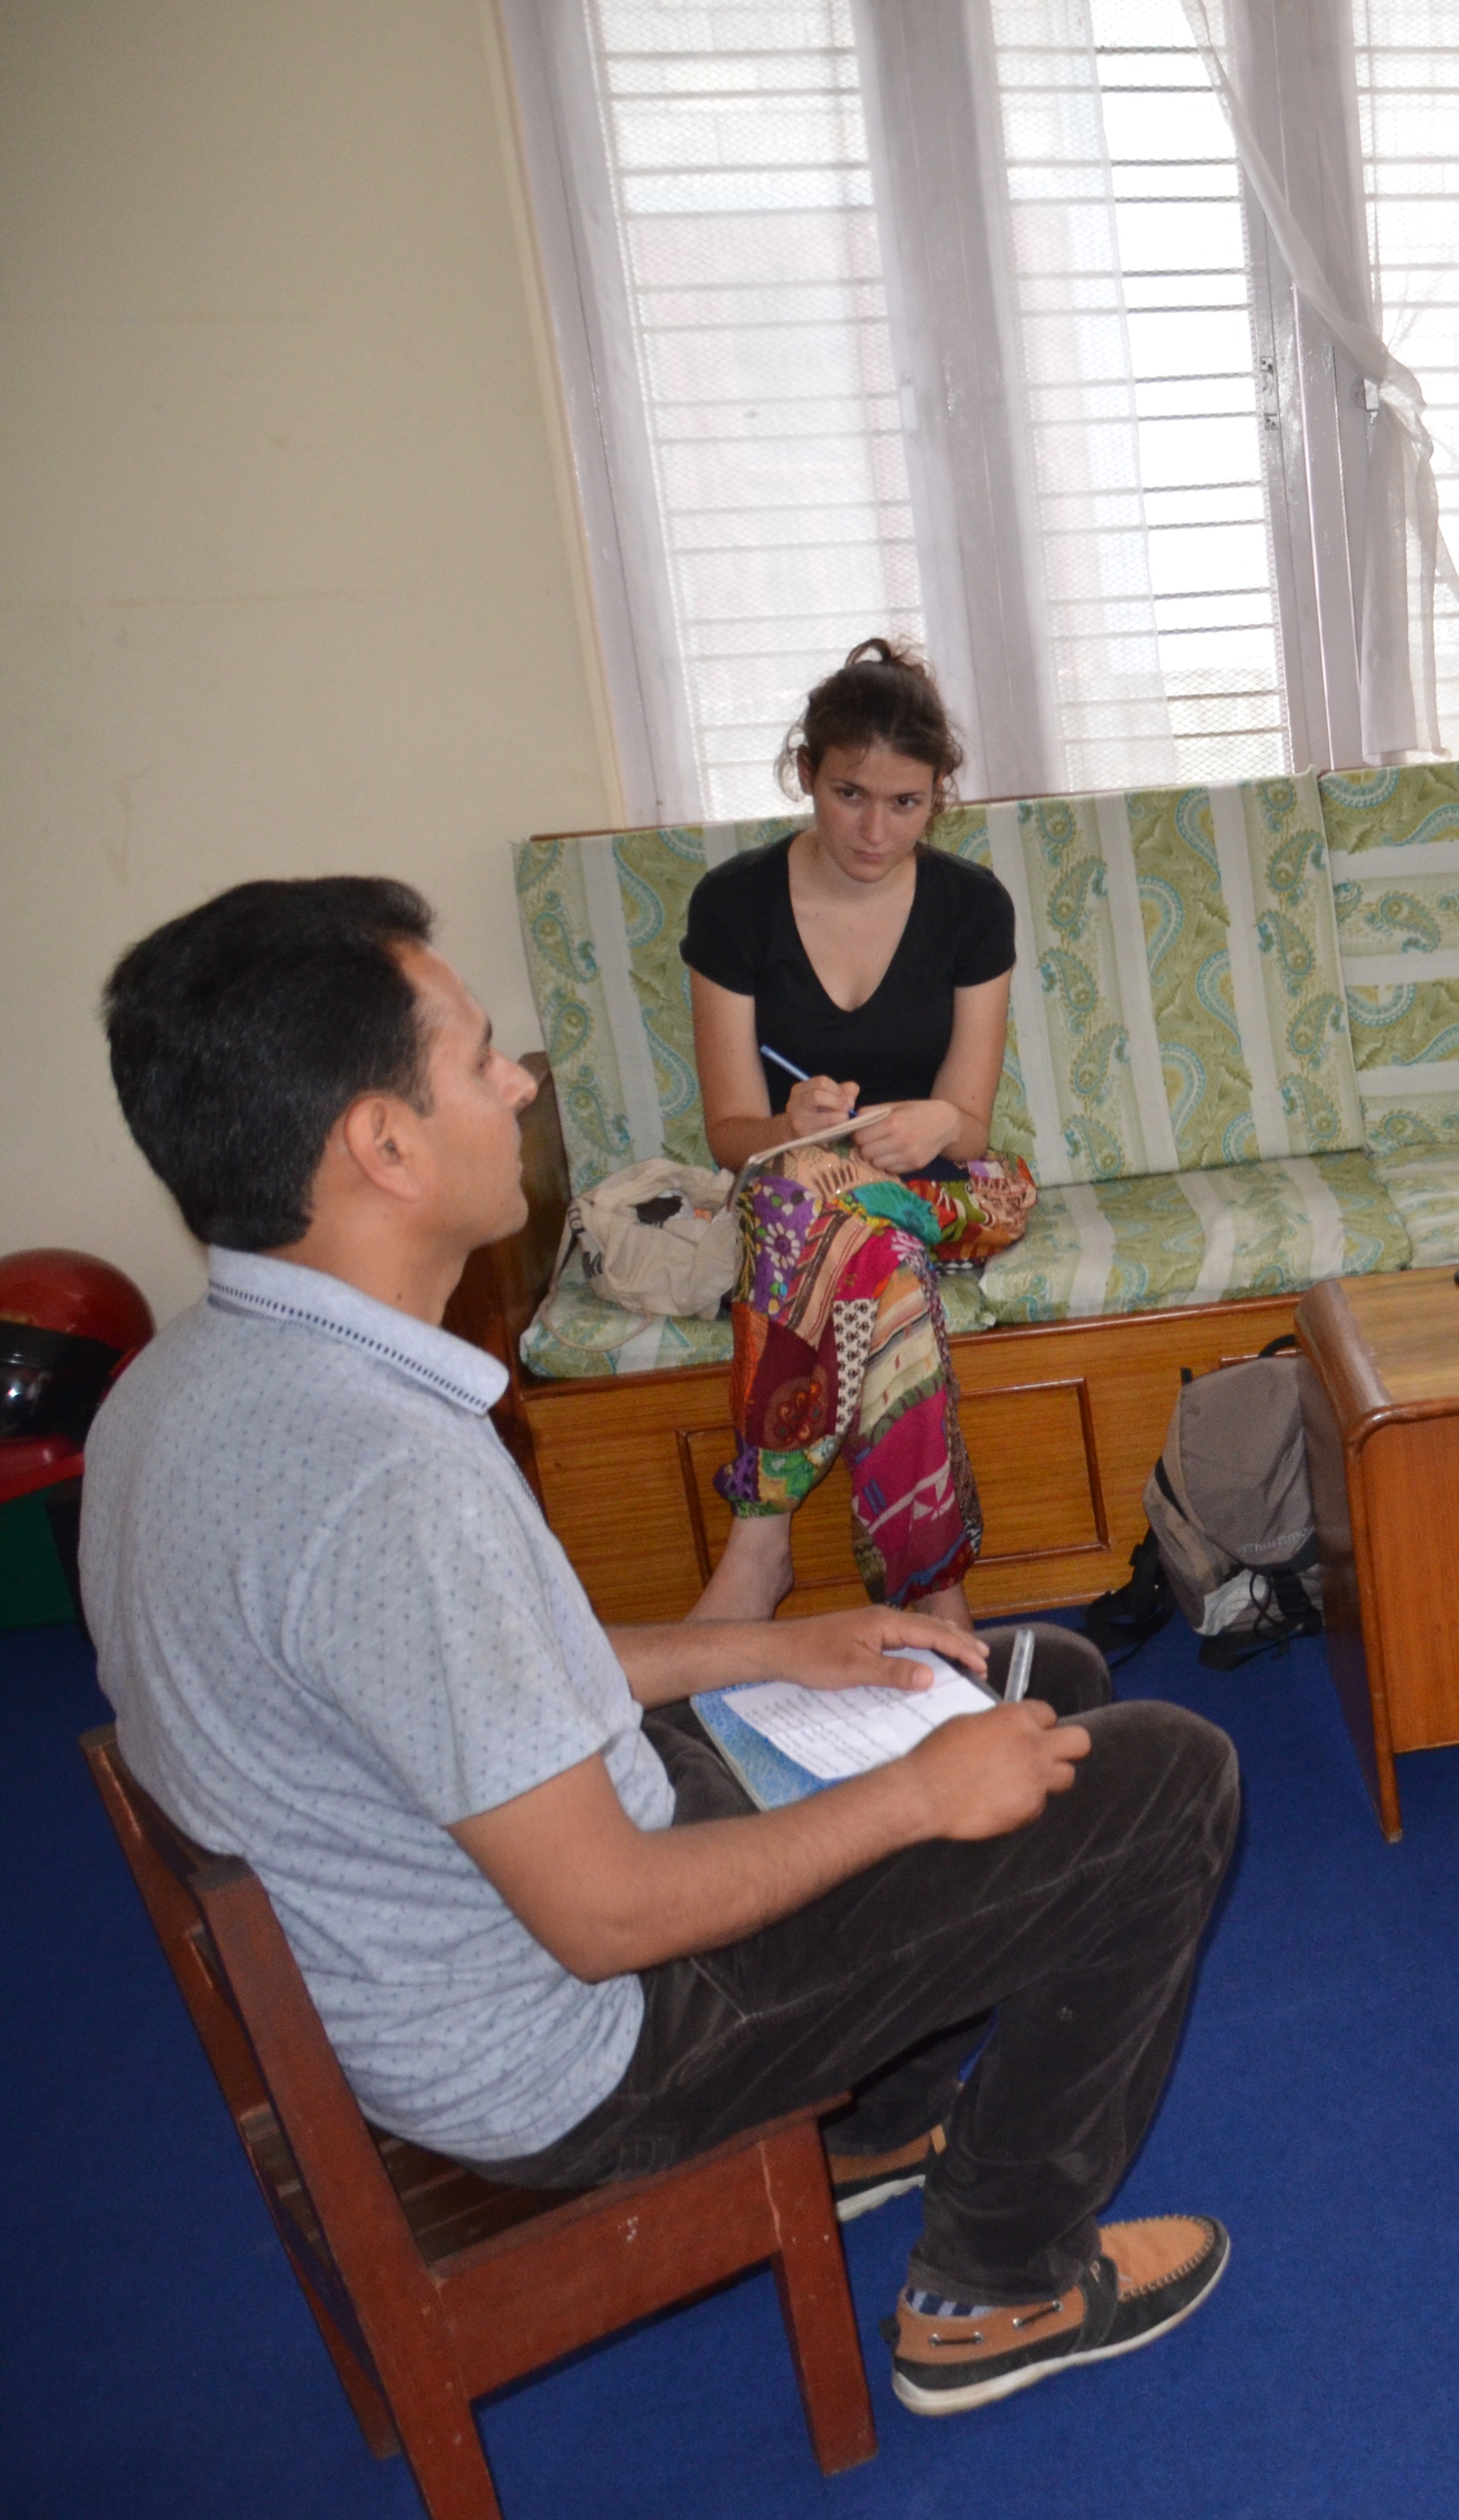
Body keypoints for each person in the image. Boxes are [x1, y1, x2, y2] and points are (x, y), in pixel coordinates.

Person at [86, 879, 1239, 2418]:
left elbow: (461, 1681)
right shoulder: (388, 1480)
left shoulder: (190, 1382)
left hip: (451, 1929)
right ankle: (997, 2282)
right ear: (382, 1144)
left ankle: (869, 2130)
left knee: (1029, 1687)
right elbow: (606, 1915)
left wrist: (780, 1649)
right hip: (586, 2044)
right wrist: (914, 1798)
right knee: (1163, 1781)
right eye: (480, 1059)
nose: (519, 1089)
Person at [685, 639, 1031, 1628]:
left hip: (953, 1191)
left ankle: (759, 1542)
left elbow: (971, 1125)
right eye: (849, 795)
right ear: (806, 773)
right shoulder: (733, 906)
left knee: (816, 1208)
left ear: (937, 798)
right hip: (812, 1202)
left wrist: (935, 1122)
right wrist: (787, 1124)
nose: (875, 831)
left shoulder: (971, 906)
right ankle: (934, 1595)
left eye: (905, 803)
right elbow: (729, 1135)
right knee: (862, 1251)